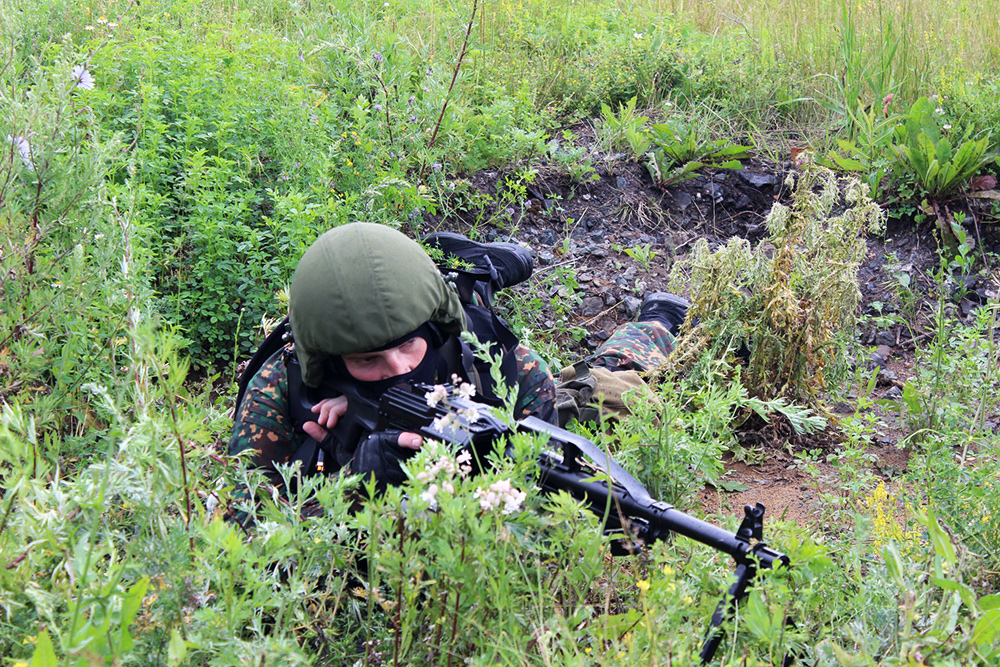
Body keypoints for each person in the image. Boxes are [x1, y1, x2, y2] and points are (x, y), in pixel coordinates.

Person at [228, 222, 688, 503]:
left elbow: (535, 522)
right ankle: (480, 268)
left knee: (603, 393)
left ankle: (656, 321)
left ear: (435, 329)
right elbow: (241, 548)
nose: (398, 368)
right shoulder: (282, 388)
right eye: (367, 360)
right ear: (325, 363)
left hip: (484, 396)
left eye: (410, 346)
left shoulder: (510, 368)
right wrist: (351, 483)